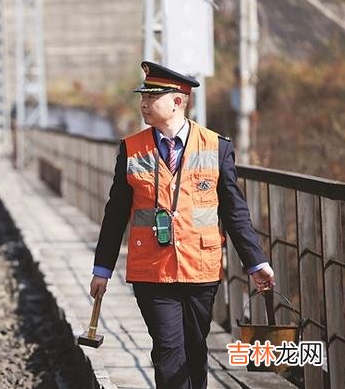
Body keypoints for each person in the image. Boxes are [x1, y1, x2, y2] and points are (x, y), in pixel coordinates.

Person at [89, 61, 275, 389]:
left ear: (178, 101)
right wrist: (102, 269)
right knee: (167, 349)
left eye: (152, 96)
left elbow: (235, 211)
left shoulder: (216, 147)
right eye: (142, 97)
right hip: (152, 270)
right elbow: (116, 213)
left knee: (194, 347)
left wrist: (255, 262)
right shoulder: (131, 149)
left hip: (200, 268)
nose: (144, 103)